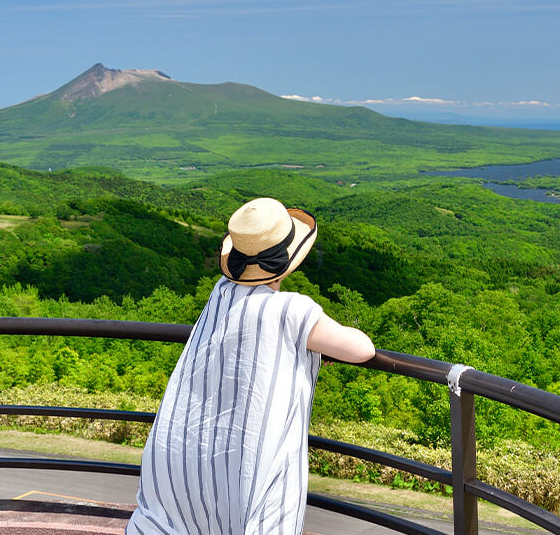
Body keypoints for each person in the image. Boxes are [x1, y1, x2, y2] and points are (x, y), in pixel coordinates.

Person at [127, 198, 375, 534]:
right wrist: (312, 345)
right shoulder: (291, 310)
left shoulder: (221, 293)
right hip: (247, 474)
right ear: (289, 260)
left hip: (185, 469)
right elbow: (362, 348)